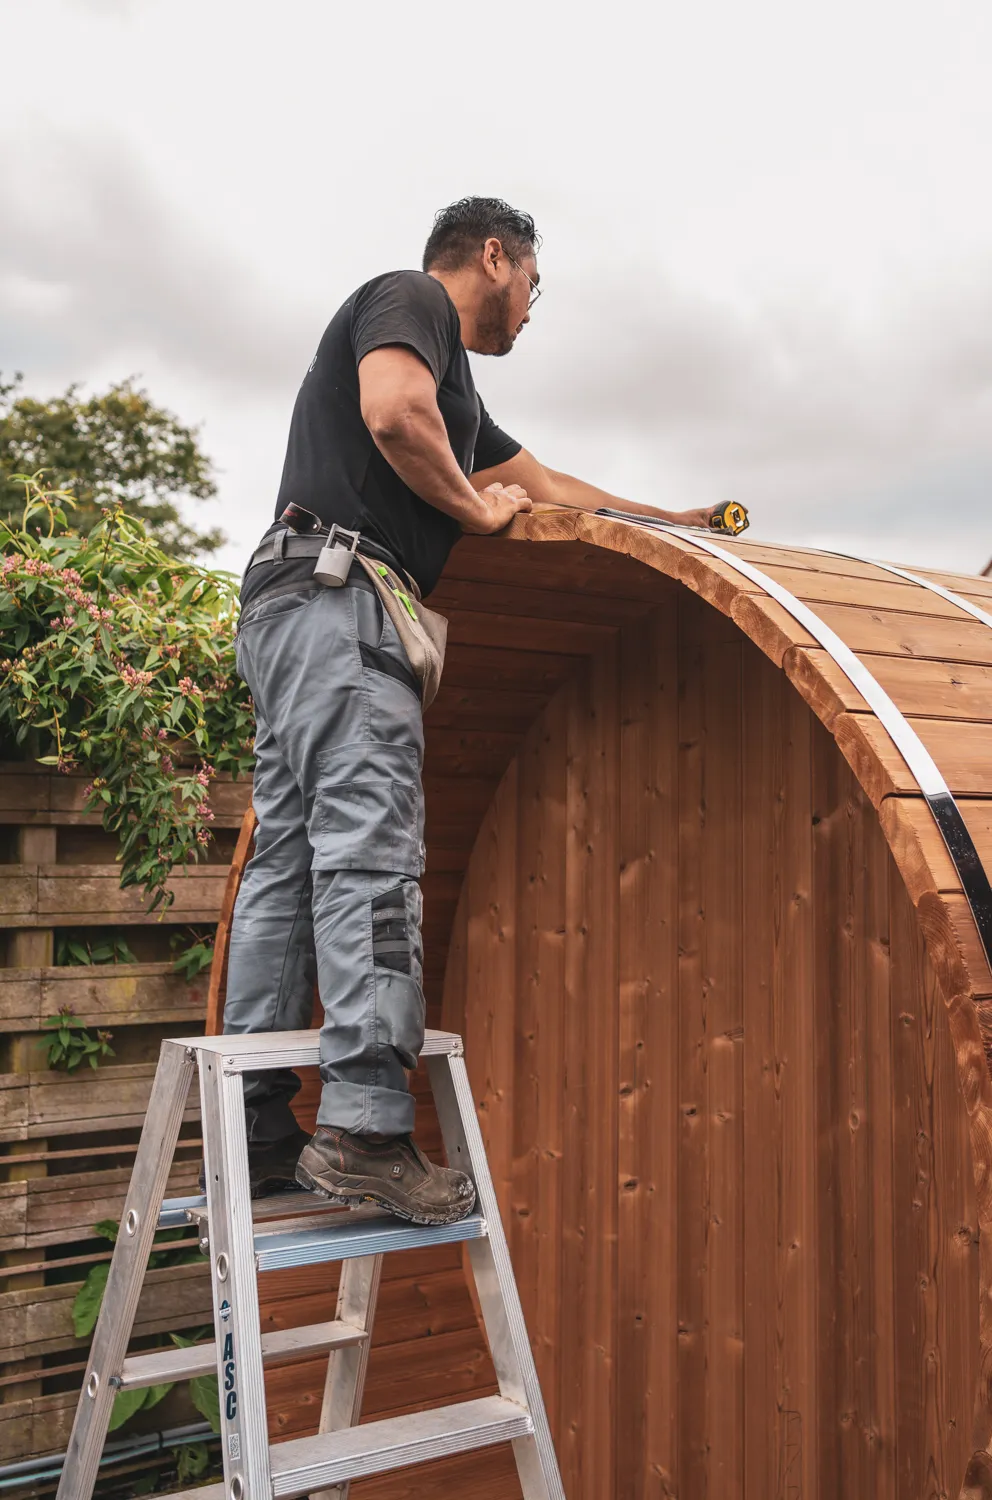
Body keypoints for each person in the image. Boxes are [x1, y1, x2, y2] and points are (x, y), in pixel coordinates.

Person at [224, 196, 726, 1224]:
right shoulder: (409, 302)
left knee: (289, 858)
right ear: (493, 257)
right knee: (370, 851)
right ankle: (364, 1128)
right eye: (534, 285)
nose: (532, 312)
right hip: (345, 601)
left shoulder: (460, 395)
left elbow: (538, 484)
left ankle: (258, 1128)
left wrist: (668, 519)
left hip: (290, 604)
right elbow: (391, 415)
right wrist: (466, 507)